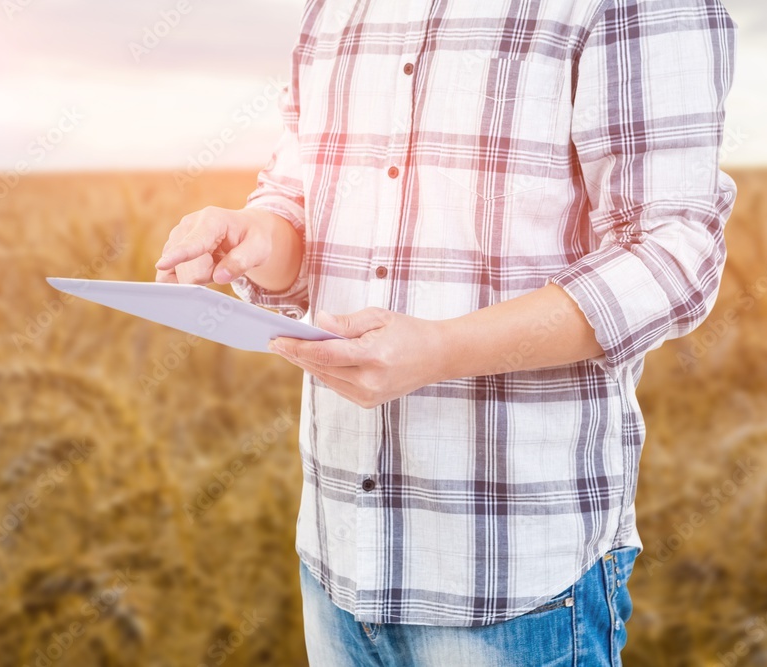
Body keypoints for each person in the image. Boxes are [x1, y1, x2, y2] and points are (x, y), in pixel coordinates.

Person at [155, 0, 737, 664]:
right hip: (338, 557)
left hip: (514, 584)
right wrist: (258, 236)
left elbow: (670, 255)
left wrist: (440, 350)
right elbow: (297, 195)